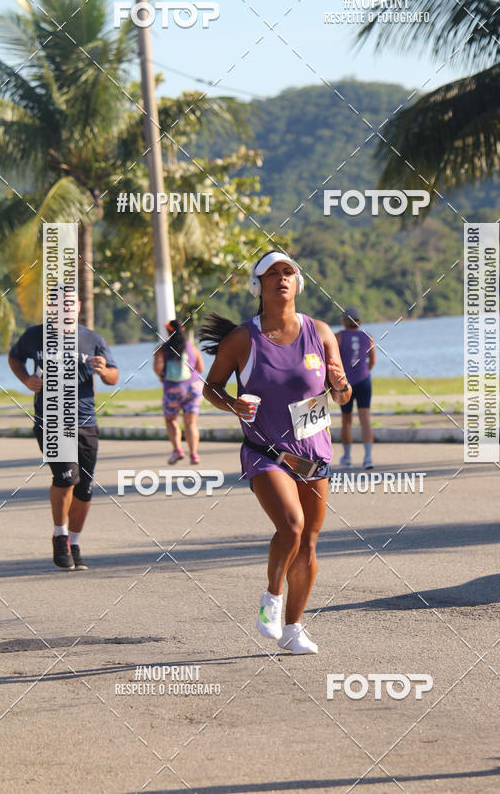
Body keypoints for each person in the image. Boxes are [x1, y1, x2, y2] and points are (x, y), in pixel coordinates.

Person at [199, 251, 351, 655]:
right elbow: (209, 388)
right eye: (272, 274)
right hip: (265, 451)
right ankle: (271, 598)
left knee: (310, 544)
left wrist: (340, 384)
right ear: (258, 286)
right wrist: (233, 404)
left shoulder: (319, 332)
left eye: (288, 273)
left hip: (313, 454)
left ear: (298, 284)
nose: (282, 279)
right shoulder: (242, 339)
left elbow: (341, 393)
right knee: (291, 525)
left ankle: (293, 628)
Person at [8, 297, 119, 570]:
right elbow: (14, 357)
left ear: (78, 307)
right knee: (67, 476)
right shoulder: (35, 336)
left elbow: (114, 375)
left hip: (85, 421)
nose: (64, 310)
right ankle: (60, 536)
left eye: (70, 305)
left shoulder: (92, 339)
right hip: (50, 421)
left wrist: (104, 371)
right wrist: (26, 379)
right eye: (58, 305)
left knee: (85, 488)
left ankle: (75, 543)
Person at [153, 319, 205, 465]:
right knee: (191, 423)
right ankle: (194, 454)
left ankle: (178, 450)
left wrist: (162, 377)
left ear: (168, 331)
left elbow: (157, 368)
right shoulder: (191, 347)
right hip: (194, 388)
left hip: (173, 388)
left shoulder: (162, 349)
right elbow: (201, 368)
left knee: (171, 419)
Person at [335, 306, 376, 470]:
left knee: (347, 420)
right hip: (364, 381)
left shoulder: (337, 337)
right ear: (359, 321)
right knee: (365, 418)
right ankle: (368, 457)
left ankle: (347, 457)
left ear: (344, 321)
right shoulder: (368, 337)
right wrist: (363, 372)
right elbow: (372, 362)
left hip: (346, 383)